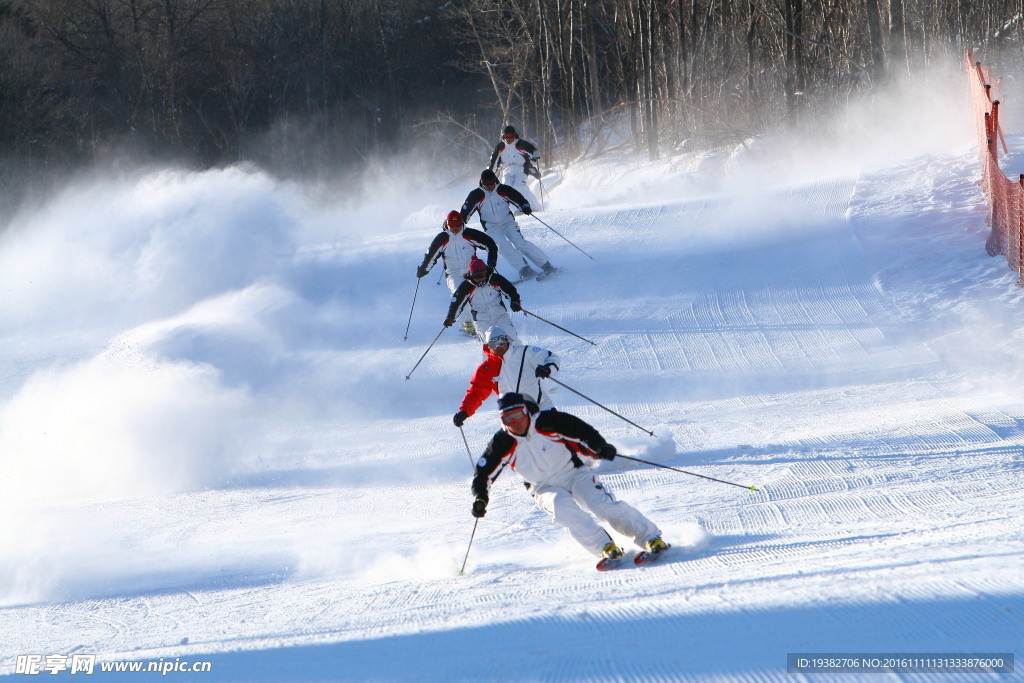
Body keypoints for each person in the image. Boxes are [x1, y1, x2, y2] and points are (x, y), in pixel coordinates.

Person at [470, 392, 671, 570]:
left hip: (574, 473)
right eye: (508, 419)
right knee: (561, 508)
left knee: (601, 505)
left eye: (518, 416)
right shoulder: (502, 442)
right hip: (543, 487)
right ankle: (605, 547)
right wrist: (480, 499)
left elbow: (582, 431)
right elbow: (483, 474)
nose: (515, 423)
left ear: (526, 411)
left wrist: (600, 446)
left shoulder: (548, 422)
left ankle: (650, 538)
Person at [452, 326, 559, 428]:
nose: (498, 347)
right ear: (488, 346)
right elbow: (476, 392)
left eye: (500, 342)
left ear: (507, 339)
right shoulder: (487, 369)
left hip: (540, 406)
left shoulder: (524, 353)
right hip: (512, 416)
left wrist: (548, 368)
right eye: (493, 344)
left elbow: (551, 357)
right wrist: (464, 411)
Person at [461, 169, 556, 282]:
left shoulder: (503, 189)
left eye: (492, 183)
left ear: (494, 181)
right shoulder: (476, 195)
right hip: (491, 226)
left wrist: (524, 206)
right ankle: (524, 269)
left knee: (520, 243)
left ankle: (546, 265)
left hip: (508, 222)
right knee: (501, 245)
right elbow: (465, 211)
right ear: (482, 182)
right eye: (487, 184)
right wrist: (459, 222)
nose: (490, 186)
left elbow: (518, 198)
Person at [416, 210, 499, 337]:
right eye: (452, 226)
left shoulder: (470, 234)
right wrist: (424, 269)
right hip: (453, 273)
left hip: (472, 272)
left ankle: (484, 321)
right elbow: (430, 255)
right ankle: (468, 323)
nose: (455, 228)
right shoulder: (442, 238)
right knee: (460, 295)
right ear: (447, 224)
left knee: (477, 296)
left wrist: (490, 265)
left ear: (462, 223)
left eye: (458, 225)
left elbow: (491, 245)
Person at [444, 255, 522, 342]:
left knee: (512, 339)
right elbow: (456, 303)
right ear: (471, 275)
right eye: (476, 276)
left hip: (500, 316)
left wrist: (515, 302)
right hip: (481, 320)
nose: (480, 279)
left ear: (485, 272)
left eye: (481, 275)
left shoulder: (495, 280)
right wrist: (450, 317)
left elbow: (511, 291)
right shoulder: (466, 287)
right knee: (490, 343)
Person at [489, 125, 541, 209]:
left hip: (521, 169)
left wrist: (535, 155)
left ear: (514, 135)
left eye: (510, 136)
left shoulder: (521, 144)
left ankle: (534, 207)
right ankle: (514, 210)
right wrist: (490, 175)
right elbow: (494, 162)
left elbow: (533, 152)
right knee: (506, 188)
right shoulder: (500, 147)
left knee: (519, 186)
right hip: (507, 170)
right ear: (503, 136)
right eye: (506, 136)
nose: (508, 139)